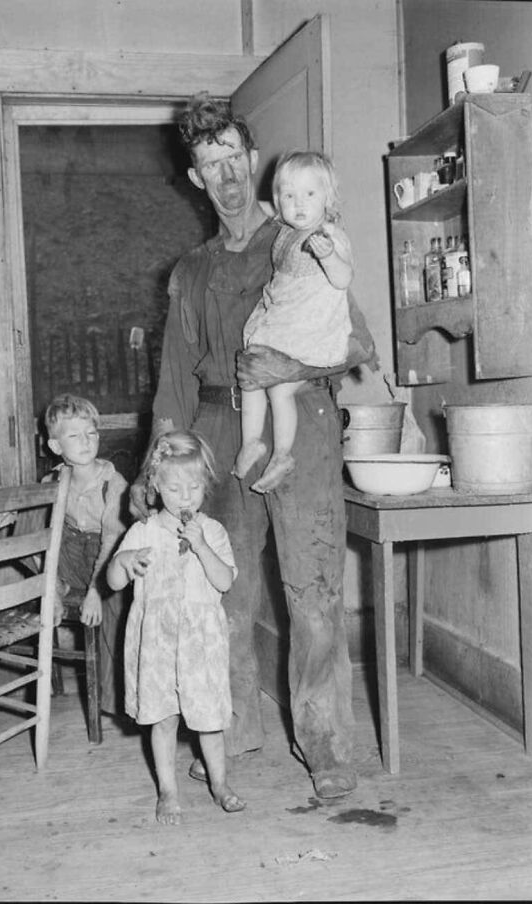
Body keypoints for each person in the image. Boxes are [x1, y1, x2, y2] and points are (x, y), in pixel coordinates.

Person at [131, 92, 378, 800]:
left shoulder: (301, 238)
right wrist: (157, 464)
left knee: (315, 593)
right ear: (197, 179)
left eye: (235, 158)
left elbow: (358, 343)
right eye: (212, 165)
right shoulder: (192, 270)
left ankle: (327, 748)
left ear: (253, 161)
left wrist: (293, 368)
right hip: (216, 438)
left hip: (303, 425)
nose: (228, 176)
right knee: (222, 597)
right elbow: (174, 381)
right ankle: (227, 732)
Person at [107, 429, 244, 825]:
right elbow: (113, 582)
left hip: (202, 644)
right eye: (174, 487)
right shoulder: (143, 532)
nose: (185, 497)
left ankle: (219, 784)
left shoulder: (213, 531)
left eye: (195, 487)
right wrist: (124, 562)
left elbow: (224, 582)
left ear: (206, 485)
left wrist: (201, 546)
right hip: (158, 643)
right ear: (154, 485)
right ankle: (167, 791)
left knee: (209, 721)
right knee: (163, 719)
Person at [233, 150, 354, 494]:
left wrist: (328, 256)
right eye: (289, 195)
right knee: (253, 380)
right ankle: (251, 441)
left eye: (310, 194)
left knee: (280, 389)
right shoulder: (285, 228)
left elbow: (344, 278)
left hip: (309, 327)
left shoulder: (328, 235)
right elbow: (260, 207)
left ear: (328, 199)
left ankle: (282, 454)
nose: (299, 204)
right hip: (283, 317)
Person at [44, 393, 129, 714]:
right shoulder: (52, 480)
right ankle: (57, 587)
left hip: (104, 561)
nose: (85, 442)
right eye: (74, 435)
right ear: (56, 446)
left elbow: (111, 541)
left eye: (91, 433)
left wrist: (95, 592)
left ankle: (115, 700)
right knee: (39, 528)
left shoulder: (113, 482)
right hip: (67, 559)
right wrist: (50, 589)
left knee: (113, 608)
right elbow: (46, 542)